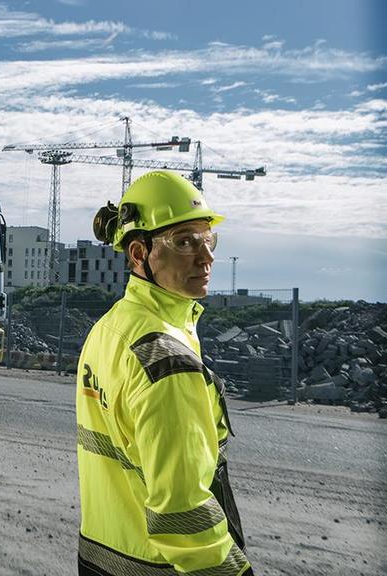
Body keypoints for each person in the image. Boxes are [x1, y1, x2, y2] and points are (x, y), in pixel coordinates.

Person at [76, 171, 252, 576]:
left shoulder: (108, 330)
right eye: (185, 242)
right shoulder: (169, 363)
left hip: (101, 557)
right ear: (139, 254)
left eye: (208, 240)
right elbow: (183, 512)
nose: (206, 257)